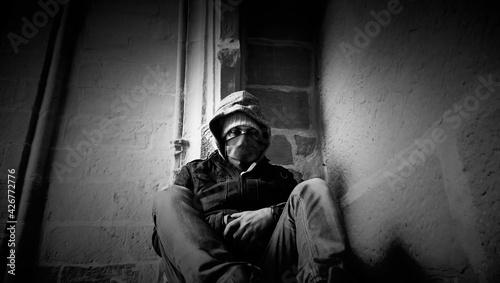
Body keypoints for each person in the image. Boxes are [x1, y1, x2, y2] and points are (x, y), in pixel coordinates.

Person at [152, 91, 352, 282]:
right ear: (221, 138)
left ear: (263, 138)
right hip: (205, 271)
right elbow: (161, 239)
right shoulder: (195, 171)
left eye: (251, 132)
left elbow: (304, 218)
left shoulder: (281, 177)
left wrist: (271, 215)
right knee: (168, 196)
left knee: (314, 188)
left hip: (271, 266)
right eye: (234, 131)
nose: (243, 138)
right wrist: (223, 221)